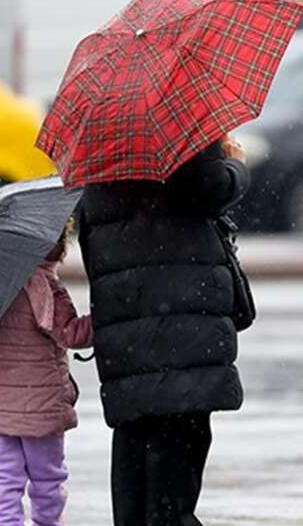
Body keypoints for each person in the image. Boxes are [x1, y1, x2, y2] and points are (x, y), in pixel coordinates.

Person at [77, 135, 250, 525]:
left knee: (135, 479)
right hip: (183, 338)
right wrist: (235, 165)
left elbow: (90, 235)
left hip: (127, 331)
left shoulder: (100, 138)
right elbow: (208, 187)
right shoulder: (181, 126)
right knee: (172, 496)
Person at [0, 221, 93, 526]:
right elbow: (71, 335)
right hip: (40, 408)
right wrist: (102, 320)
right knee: (46, 482)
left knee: (3, 483)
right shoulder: (47, 289)